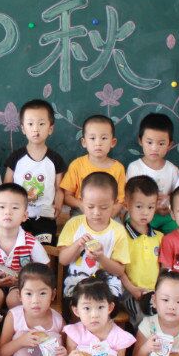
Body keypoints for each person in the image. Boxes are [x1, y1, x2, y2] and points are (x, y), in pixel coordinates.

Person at [57, 172, 130, 304]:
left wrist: (101, 258)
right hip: (78, 282)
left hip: (106, 285)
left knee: (102, 304)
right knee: (78, 304)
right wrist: (77, 245)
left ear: (114, 203)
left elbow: (119, 270)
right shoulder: (74, 224)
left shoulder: (118, 231)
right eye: (90, 207)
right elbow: (63, 260)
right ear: (81, 201)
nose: (96, 213)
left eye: (104, 207)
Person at [3, 99, 67, 245]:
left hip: (45, 216)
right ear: (23, 128)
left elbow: (59, 189)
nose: (35, 129)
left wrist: (58, 206)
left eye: (41, 124)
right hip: (18, 215)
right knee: (18, 246)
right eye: (30, 124)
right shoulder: (16, 157)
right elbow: (7, 186)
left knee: (44, 248)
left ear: (50, 128)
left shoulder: (55, 159)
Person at [0, 183, 49, 310]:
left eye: (15, 208)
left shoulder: (31, 242)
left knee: (15, 298)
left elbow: (45, 269)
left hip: (20, 285)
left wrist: (24, 280)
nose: (8, 212)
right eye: (2, 207)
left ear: (25, 215)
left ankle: (15, 322)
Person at [119, 175, 164, 329]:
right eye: (139, 207)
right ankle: (141, 343)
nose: (145, 212)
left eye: (150, 207)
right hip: (130, 292)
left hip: (156, 292)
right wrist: (132, 289)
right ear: (126, 204)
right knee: (144, 318)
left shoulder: (159, 237)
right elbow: (118, 270)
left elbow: (163, 268)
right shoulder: (121, 236)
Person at [59, 114, 126, 215]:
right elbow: (67, 196)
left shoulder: (118, 168)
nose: (98, 143)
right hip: (81, 212)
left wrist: (111, 214)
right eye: (92, 138)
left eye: (104, 138)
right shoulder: (77, 165)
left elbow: (121, 200)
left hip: (108, 213)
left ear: (112, 142)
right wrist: (81, 205)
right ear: (84, 142)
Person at [125, 113, 179, 232]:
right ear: (140, 141)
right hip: (141, 214)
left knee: (177, 227)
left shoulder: (172, 170)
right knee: (133, 226)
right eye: (149, 142)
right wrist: (152, 207)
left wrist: (169, 202)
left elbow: (177, 196)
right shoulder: (135, 168)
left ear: (169, 145)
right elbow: (129, 196)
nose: (154, 148)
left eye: (161, 143)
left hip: (165, 215)